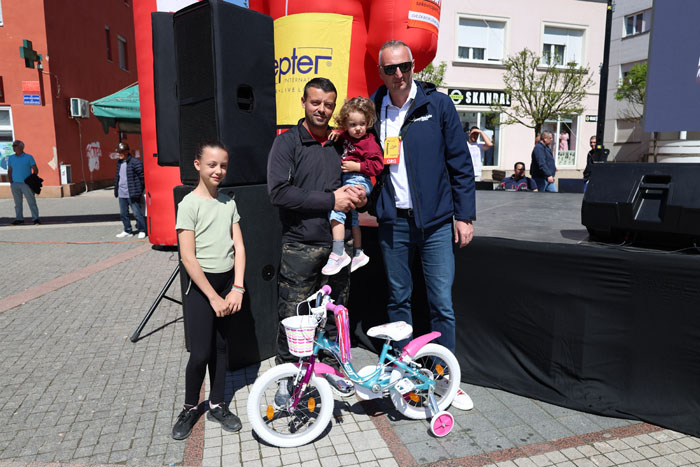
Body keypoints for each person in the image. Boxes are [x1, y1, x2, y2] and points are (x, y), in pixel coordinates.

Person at [371, 40, 475, 411]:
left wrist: (464, 216)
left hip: (435, 224)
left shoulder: (438, 105)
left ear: (414, 66)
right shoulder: (374, 108)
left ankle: (446, 379)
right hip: (394, 223)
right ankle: (405, 375)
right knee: (399, 300)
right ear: (381, 72)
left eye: (405, 66)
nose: (398, 74)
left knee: (441, 304)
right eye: (390, 69)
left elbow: (460, 163)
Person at [267, 78, 366, 399]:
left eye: (328, 104)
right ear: (303, 102)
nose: (321, 109)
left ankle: (331, 368)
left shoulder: (341, 143)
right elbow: (278, 193)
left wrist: (362, 195)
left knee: (335, 312)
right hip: (300, 246)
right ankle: (288, 375)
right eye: (315, 102)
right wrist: (330, 200)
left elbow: (361, 176)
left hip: (339, 248)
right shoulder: (287, 143)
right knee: (294, 316)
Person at [172, 141, 246, 440]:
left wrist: (237, 288)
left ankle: (217, 405)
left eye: (223, 165)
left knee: (221, 348)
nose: (218, 170)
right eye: (212, 164)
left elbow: (239, 247)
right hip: (202, 290)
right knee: (201, 353)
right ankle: (190, 407)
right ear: (198, 165)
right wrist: (213, 297)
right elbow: (188, 257)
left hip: (227, 286)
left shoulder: (229, 202)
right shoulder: (188, 204)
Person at [322, 97, 384, 275]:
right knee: (354, 218)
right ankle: (358, 253)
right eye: (353, 125)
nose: (358, 128)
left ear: (368, 122)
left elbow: (378, 166)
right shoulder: (346, 136)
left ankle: (338, 253)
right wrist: (336, 133)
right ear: (345, 125)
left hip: (359, 179)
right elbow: (341, 135)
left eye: (362, 124)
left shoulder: (369, 142)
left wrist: (357, 166)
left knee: (336, 211)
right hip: (349, 179)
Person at [113, 142, 147, 239]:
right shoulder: (119, 162)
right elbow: (118, 177)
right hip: (121, 193)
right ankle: (127, 230)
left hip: (132, 193)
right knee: (123, 214)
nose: (119, 154)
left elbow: (142, 178)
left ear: (127, 152)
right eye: (118, 152)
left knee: (137, 213)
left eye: (121, 152)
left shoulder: (135, 162)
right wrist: (116, 189)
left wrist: (138, 190)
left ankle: (142, 230)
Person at [8, 140, 40, 225]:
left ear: (21, 147)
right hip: (15, 184)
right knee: (17, 203)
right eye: (13, 146)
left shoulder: (29, 157)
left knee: (31, 202)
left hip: (26, 184)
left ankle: (35, 218)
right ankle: (19, 219)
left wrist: (32, 179)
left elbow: (35, 169)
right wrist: (11, 181)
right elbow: (10, 170)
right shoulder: (11, 158)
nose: (13, 147)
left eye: (15, 145)